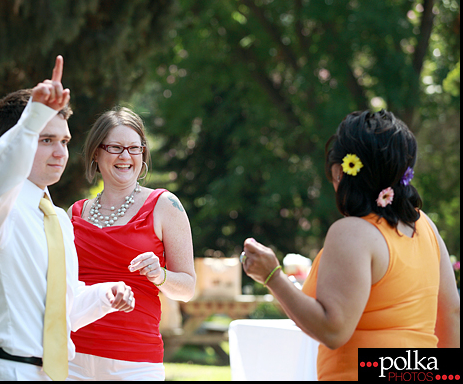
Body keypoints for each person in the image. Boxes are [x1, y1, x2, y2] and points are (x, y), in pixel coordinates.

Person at [240, 110, 460, 381]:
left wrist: (272, 277)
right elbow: (451, 311)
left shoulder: (353, 233)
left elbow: (333, 331)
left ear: (338, 171)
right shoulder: (424, 226)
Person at [0, 56, 135, 381]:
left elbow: (58, 312)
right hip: (5, 371)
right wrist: (33, 117)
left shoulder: (57, 217)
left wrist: (104, 295)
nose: (61, 153)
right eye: (46, 140)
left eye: (65, 141)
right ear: (17, 141)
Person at [66, 106, 196, 380]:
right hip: (73, 359)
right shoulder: (75, 214)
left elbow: (187, 288)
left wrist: (160, 276)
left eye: (135, 148)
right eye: (116, 147)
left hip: (134, 362)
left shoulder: (165, 205)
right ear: (96, 153)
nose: (126, 156)